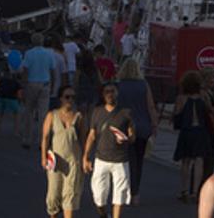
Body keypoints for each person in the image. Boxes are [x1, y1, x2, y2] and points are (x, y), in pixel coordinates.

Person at [84, 81, 135, 217]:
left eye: (112, 91)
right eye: (107, 92)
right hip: (101, 158)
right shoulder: (97, 112)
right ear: (103, 94)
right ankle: (103, 214)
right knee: (98, 196)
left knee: (120, 195)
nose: (110, 94)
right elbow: (91, 135)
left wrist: (126, 138)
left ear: (117, 93)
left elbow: (132, 136)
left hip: (120, 159)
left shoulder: (126, 113)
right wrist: (86, 157)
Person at [115, 59, 157, 200]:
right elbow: (150, 107)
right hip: (142, 126)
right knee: (138, 161)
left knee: (123, 161)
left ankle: (123, 190)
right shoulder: (144, 85)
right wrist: (154, 125)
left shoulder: (118, 86)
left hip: (123, 127)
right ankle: (135, 193)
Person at [42, 85, 85, 218]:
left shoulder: (79, 116)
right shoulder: (52, 115)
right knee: (53, 194)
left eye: (73, 97)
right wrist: (43, 157)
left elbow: (84, 139)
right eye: (67, 97)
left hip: (73, 161)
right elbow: (45, 137)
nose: (70, 100)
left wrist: (85, 158)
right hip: (56, 160)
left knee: (69, 195)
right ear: (61, 98)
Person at [173, 71, 214, 203]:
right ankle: (195, 191)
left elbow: (177, 114)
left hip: (186, 131)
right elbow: (210, 111)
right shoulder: (203, 96)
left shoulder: (181, 98)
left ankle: (184, 190)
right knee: (199, 160)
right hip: (201, 131)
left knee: (185, 161)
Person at [22, 32, 58, 149]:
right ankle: (41, 141)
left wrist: (24, 85)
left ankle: (27, 139)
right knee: (43, 114)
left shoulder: (28, 53)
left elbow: (25, 70)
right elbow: (53, 70)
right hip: (45, 84)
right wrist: (52, 85)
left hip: (31, 83)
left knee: (29, 112)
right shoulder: (49, 54)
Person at [0, 65, 23, 138]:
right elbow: (19, 93)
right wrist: (20, 100)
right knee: (17, 113)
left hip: (0, 97)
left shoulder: (1, 81)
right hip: (11, 98)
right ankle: (16, 131)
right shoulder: (16, 82)